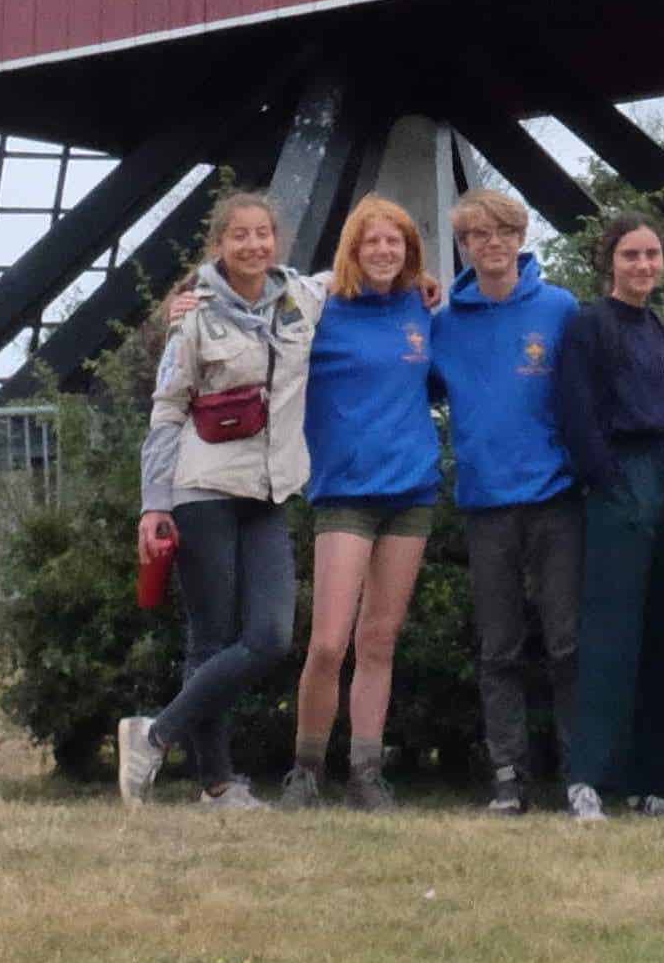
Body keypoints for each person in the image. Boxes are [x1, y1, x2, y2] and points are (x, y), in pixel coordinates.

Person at [119, 189, 321, 811]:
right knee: (209, 640)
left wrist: (422, 279)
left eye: (264, 233)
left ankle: (153, 735)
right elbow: (167, 408)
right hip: (202, 488)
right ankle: (218, 784)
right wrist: (155, 503)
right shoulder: (194, 318)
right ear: (219, 245)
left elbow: (368, 266)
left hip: (269, 489)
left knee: (269, 635)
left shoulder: (303, 299)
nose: (254, 245)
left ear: (277, 241)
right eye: (240, 236)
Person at [277, 195, 442, 812]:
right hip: (344, 490)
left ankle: (366, 772)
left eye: (394, 242)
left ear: (410, 252)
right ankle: (306, 768)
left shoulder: (421, 309)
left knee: (380, 640)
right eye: (371, 241)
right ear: (352, 248)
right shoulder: (323, 308)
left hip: (411, 491)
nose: (383, 251)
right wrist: (188, 304)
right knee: (328, 643)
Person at [426, 186, 583, 816]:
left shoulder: (561, 309)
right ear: (463, 246)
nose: (491, 245)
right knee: (499, 649)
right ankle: (509, 774)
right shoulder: (443, 324)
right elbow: (407, 380)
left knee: (568, 644)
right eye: (476, 236)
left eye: (502, 233)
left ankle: (580, 772)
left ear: (521, 237)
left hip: (556, 498)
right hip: (485, 501)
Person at [552, 209, 664, 822]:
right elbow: (575, 415)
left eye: (652, 255)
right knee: (610, 637)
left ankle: (651, 785)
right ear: (610, 261)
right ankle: (588, 778)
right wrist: (609, 485)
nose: (643, 265)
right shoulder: (589, 325)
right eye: (631, 255)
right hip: (620, 480)